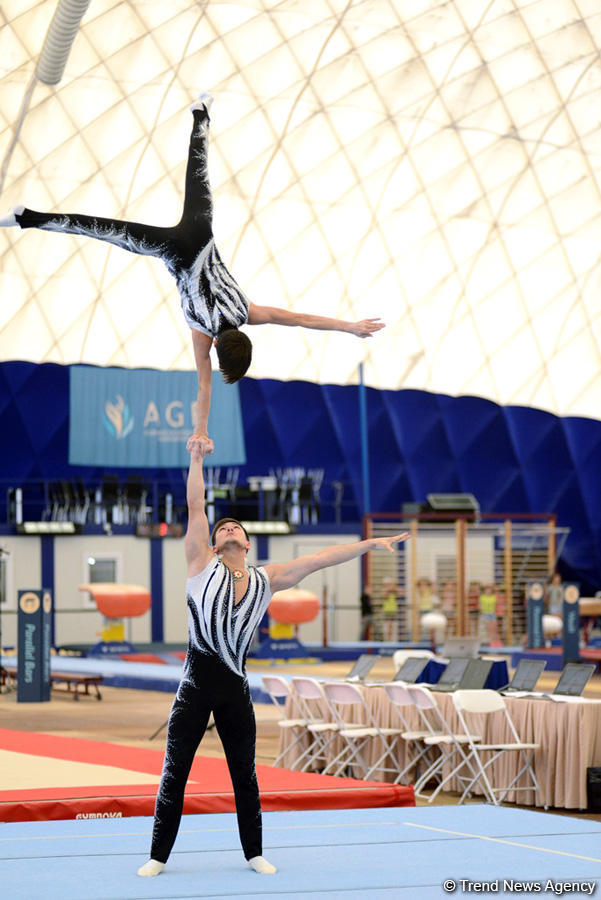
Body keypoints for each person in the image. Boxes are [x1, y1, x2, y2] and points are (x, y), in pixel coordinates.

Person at [0, 93, 385, 456]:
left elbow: (301, 319)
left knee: (198, 174)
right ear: (218, 349)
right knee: (102, 230)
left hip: (200, 235)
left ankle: (201, 113)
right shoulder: (203, 336)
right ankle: (26, 219)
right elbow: (204, 388)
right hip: (172, 252)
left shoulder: (248, 313)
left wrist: (350, 326)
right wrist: (201, 431)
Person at [137, 435, 409, 878]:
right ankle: (158, 855)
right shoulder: (198, 566)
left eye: (234, 528)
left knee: (245, 775)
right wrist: (195, 459)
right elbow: (194, 505)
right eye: (220, 528)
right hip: (193, 688)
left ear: (247, 544)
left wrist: (368, 544)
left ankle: (254, 852)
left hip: (235, 690)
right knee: (175, 774)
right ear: (209, 545)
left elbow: (321, 558)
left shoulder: (268, 579)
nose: (226, 529)